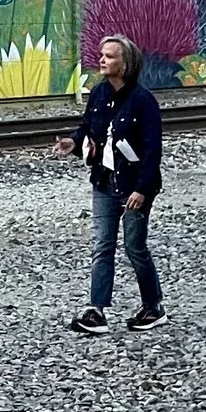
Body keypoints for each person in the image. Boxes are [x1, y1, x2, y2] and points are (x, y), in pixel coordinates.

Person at [57, 33, 167, 333]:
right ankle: (96, 311)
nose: (102, 60)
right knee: (102, 245)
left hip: (134, 186)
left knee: (135, 247)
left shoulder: (143, 101)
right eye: (102, 55)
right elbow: (88, 129)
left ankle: (153, 306)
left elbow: (152, 149)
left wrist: (142, 190)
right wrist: (74, 143)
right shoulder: (99, 94)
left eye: (109, 56)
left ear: (126, 63)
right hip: (104, 181)